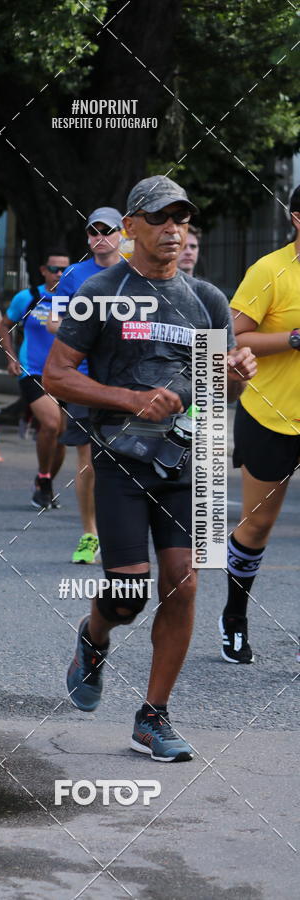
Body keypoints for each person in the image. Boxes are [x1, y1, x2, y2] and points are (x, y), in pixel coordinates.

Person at [43, 175, 256, 762]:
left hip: (190, 459)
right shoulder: (102, 291)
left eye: (181, 219)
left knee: (184, 583)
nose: (173, 230)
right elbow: (57, 375)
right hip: (121, 458)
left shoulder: (208, 300)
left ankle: (153, 717)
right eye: (161, 218)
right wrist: (129, 398)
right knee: (130, 592)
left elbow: (216, 387)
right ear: (131, 226)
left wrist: (234, 373)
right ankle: (94, 636)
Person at [218, 184, 300, 664]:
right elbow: (234, 336)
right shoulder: (270, 270)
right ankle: (234, 617)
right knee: (257, 526)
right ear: (296, 218)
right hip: (269, 414)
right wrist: (292, 338)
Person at [47, 207, 123, 563]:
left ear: (123, 233)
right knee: (88, 462)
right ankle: (90, 534)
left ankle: (124, 532)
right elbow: (52, 322)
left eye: (107, 231)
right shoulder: (75, 274)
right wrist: (86, 330)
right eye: (93, 232)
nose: (100, 238)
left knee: (128, 458)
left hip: (126, 379)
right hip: (84, 379)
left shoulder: (137, 271)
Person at [0, 249, 71, 509]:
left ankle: (46, 482)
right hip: (33, 371)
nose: (59, 274)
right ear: (43, 270)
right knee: (51, 425)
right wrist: (11, 358)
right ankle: (43, 478)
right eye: (54, 269)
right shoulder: (28, 297)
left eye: (64, 269)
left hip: (66, 373)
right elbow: (4, 325)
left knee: (62, 435)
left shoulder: (75, 299)